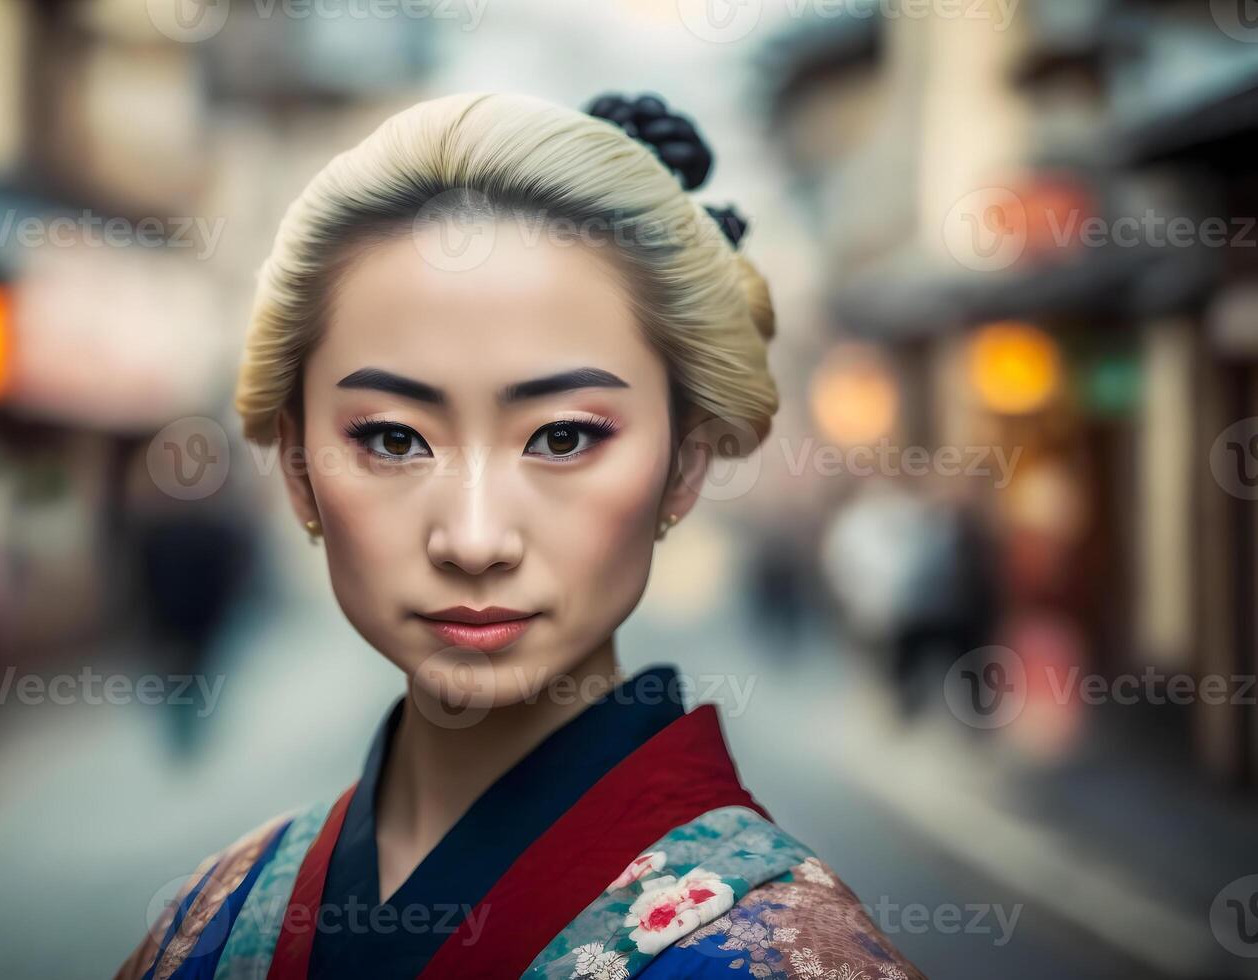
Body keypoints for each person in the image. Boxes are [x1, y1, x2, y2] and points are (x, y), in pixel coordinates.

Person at [117, 91, 925, 980]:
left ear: (686, 465)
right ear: (299, 468)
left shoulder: (787, 956)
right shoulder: (214, 918)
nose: (473, 538)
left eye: (564, 437)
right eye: (391, 438)